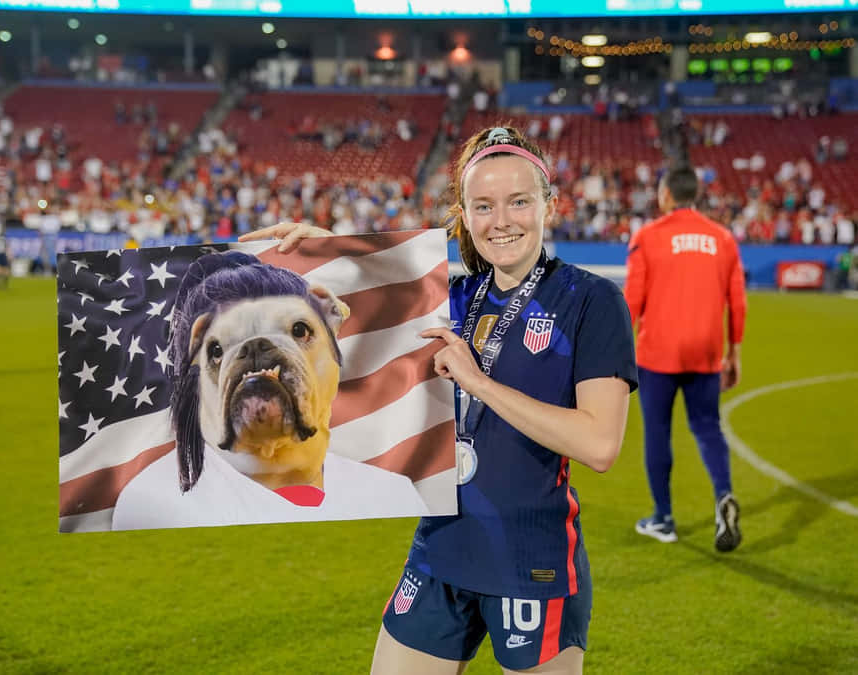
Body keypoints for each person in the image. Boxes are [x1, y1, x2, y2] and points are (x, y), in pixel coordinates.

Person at [241, 125, 637, 675]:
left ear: (550, 204)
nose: (501, 221)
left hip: (532, 556)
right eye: (483, 205)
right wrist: (320, 251)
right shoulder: (454, 297)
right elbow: (371, 308)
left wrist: (482, 385)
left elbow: (599, 444)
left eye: (519, 201)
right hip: (442, 545)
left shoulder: (593, 300)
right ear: (466, 215)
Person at [624, 163, 747, 553]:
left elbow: (631, 301)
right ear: (695, 194)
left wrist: (617, 349)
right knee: (708, 427)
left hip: (657, 352)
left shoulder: (648, 236)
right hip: (707, 352)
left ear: (665, 195)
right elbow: (738, 302)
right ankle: (723, 495)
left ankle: (663, 518)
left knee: (657, 431)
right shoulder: (723, 238)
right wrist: (734, 352)